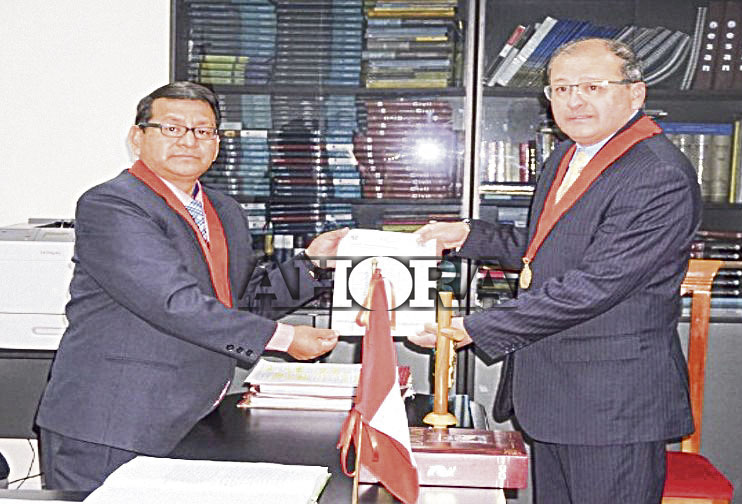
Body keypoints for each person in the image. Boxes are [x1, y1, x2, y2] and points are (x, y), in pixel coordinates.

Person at [411, 38, 701, 504]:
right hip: (555, 393)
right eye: (561, 88)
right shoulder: (568, 155)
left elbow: (597, 284)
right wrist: (467, 235)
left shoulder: (656, 172)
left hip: (610, 405)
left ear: (636, 93)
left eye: (592, 86)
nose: (574, 101)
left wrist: (473, 327)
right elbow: (549, 249)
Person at [35, 81, 347, 491]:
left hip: (194, 416)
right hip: (112, 423)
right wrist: (285, 339)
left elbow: (238, 300)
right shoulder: (112, 204)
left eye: (202, 131)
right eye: (172, 128)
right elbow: (173, 302)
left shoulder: (225, 210)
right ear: (137, 137)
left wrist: (313, 264)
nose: (188, 140)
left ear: (216, 144)